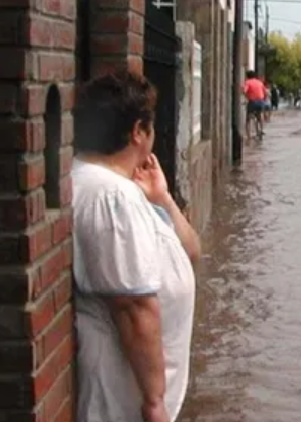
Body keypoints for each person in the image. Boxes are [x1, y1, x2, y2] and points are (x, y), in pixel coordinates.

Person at [71, 70, 201, 422]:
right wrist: (154, 401)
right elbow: (133, 306)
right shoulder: (110, 196)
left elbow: (190, 253)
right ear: (138, 132)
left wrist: (163, 199)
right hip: (125, 405)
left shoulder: (125, 189)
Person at [243, 70, 267, 139]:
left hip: (252, 102)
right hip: (261, 101)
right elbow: (265, 92)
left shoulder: (247, 82)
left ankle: (248, 136)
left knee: (248, 119)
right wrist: (263, 100)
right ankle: (261, 130)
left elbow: (244, 91)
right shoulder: (260, 82)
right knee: (260, 115)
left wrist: (247, 98)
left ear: (247, 76)